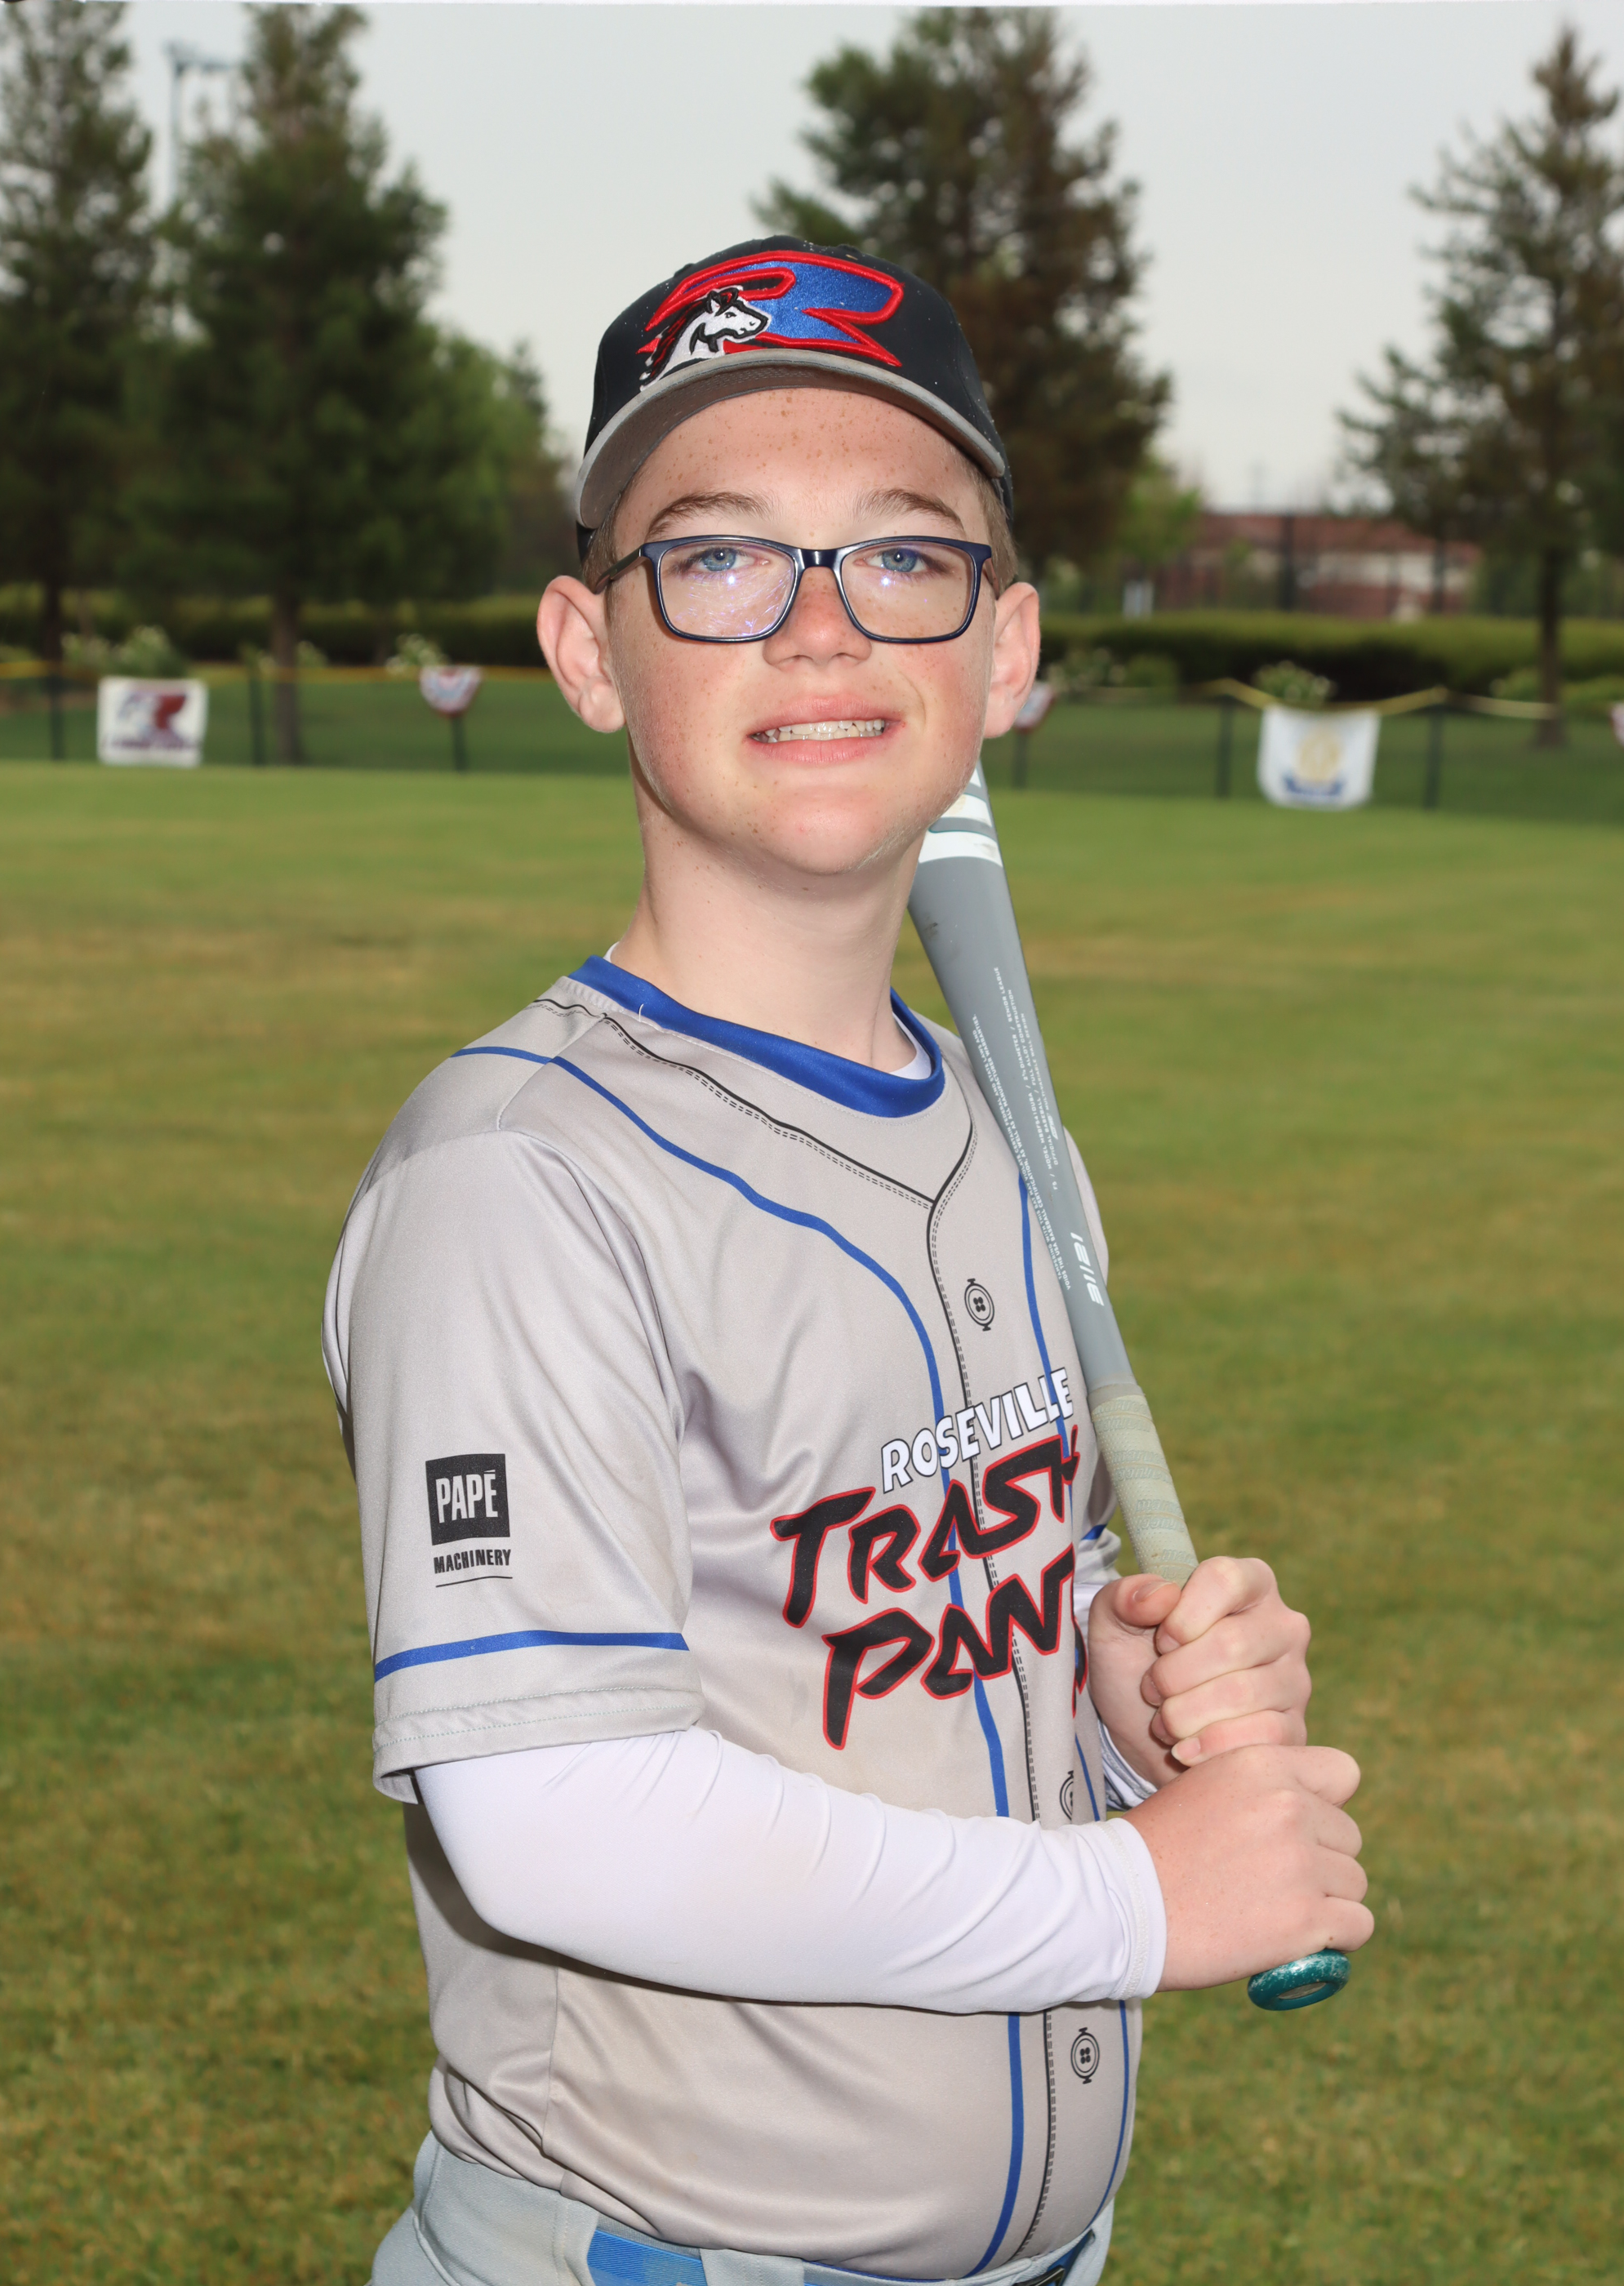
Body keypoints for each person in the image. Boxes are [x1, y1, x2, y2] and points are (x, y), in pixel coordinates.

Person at [323, 237, 1371, 2286]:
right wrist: (1136, 1900)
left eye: (904, 556)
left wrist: (1109, 1696)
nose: (819, 626)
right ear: (589, 647)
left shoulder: (994, 1119)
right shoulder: (516, 1180)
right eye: (719, 559)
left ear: (1006, 649)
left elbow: (906, 1634)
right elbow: (556, 1812)